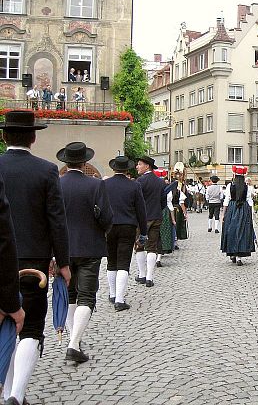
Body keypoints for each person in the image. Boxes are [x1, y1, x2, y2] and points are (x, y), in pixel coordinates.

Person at [0, 110, 70, 405]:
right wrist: (63, 261)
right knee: (29, 327)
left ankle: (8, 391)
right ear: (33, 137)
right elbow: (56, 219)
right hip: (33, 260)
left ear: (4, 136)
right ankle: (16, 394)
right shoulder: (46, 170)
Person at [58, 142, 113, 363]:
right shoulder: (96, 185)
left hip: (63, 248)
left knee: (70, 294)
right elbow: (107, 218)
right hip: (90, 246)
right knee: (87, 296)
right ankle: (73, 343)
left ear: (66, 161)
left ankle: (75, 338)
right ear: (84, 162)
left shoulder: (57, 184)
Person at [104, 155, 148, 311]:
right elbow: (141, 211)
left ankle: (112, 293)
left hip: (109, 226)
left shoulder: (104, 184)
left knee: (111, 262)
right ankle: (120, 301)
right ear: (127, 169)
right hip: (128, 227)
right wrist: (143, 232)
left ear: (113, 168)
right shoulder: (134, 186)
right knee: (123, 263)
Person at [135, 156, 166, 288]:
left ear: (147, 166)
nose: (137, 166)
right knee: (152, 247)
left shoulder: (140, 181)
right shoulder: (160, 182)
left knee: (140, 246)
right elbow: (163, 201)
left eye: (139, 164)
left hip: (142, 219)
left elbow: (136, 201)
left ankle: (142, 274)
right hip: (157, 216)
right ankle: (149, 277)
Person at [0, 173, 25, 335]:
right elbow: (3, 239)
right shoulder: (47, 170)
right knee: (31, 330)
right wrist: (10, 303)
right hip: (36, 253)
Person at [221, 165, 256, 266]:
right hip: (244, 209)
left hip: (232, 208)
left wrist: (223, 214)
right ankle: (239, 257)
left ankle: (232, 253)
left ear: (234, 175)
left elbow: (226, 201)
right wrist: (251, 213)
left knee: (231, 230)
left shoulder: (230, 186)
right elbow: (250, 201)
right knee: (242, 231)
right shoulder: (247, 187)